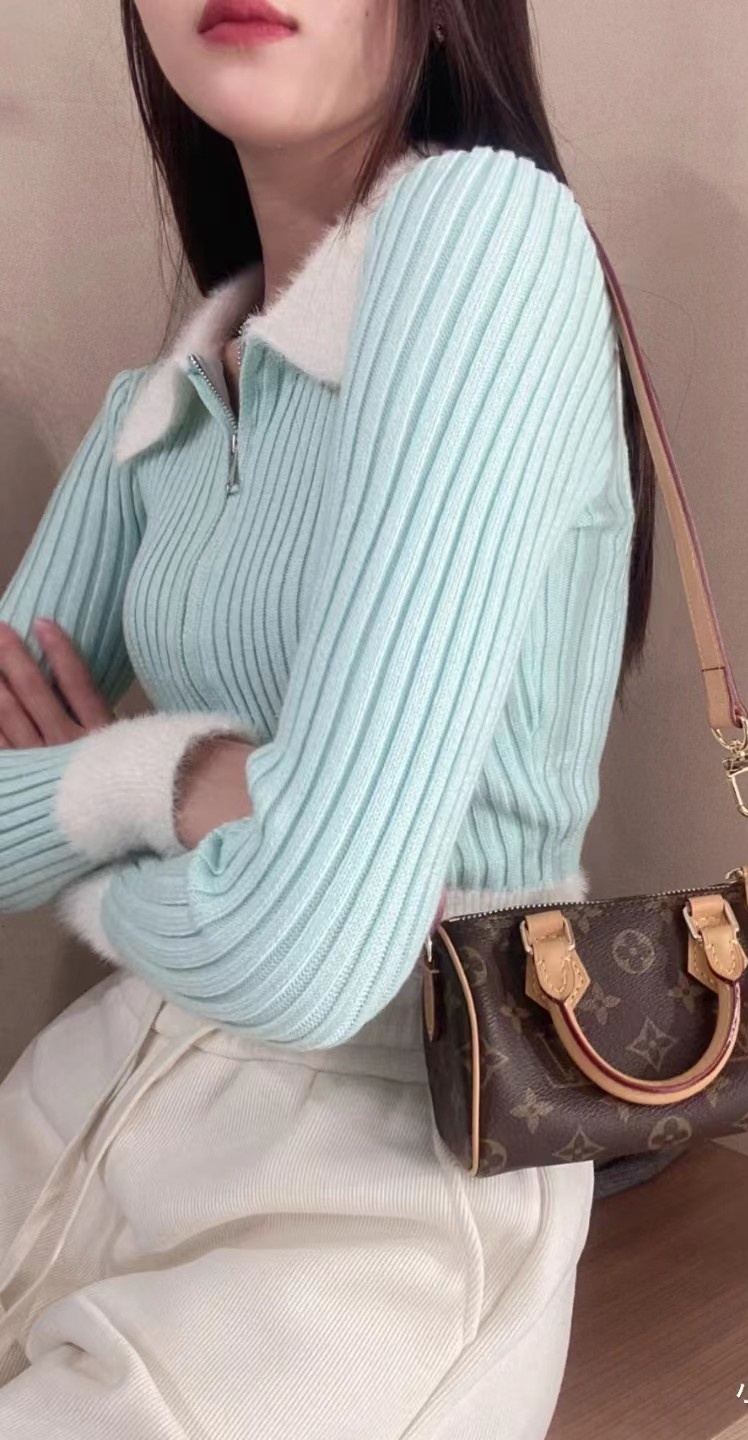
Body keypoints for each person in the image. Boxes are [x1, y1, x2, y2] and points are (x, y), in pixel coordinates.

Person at [0, 0, 656, 1434]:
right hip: (92, 1100)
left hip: (378, 1187)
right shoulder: (165, 404)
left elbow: (314, 952)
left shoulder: (487, 233)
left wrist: (94, 806)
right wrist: (188, 787)